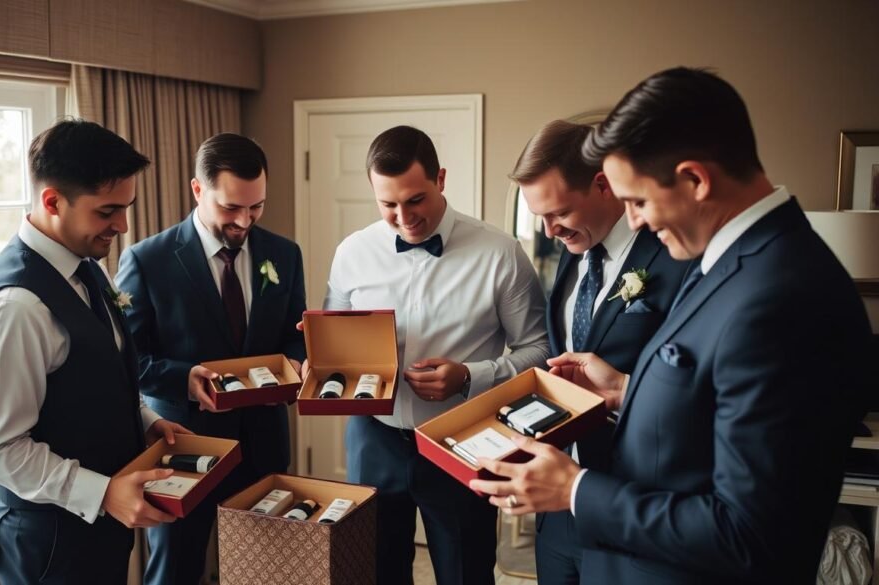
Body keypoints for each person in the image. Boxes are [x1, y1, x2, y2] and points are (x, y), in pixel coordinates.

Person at [470, 67, 873, 584]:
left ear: (695, 179)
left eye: (637, 201)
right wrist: (623, 390)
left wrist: (576, 489)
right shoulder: (736, 262)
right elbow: (712, 399)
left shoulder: (784, 294)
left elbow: (750, 534)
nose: (634, 222)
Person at [0, 119, 189, 585]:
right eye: (107, 212)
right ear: (52, 201)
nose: (122, 226)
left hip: (96, 530)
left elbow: (97, 370)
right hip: (49, 544)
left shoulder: (82, 263)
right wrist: (103, 494)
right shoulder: (15, 310)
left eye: (127, 208)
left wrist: (144, 420)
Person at [323, 125, 549, 585]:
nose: (404, 217)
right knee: (375, 570)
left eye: (415, 200)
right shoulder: (352, 253)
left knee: (465, 572)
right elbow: (333, 342)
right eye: (388, 205)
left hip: (464, 439)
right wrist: (323, 360)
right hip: (374, 437)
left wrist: (471, 376)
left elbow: (541, 351)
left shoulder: (500, 254)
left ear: (440, 179)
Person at [115, 133, 307, 585]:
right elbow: (129, 361)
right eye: (231, 208)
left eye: (256, 206)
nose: (245, 220)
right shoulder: (147, 260)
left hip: (264, 443)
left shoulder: (284, 254)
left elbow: (294, 336)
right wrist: (184, 380)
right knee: (176, 569)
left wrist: (299, 362)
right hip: (185, 444)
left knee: (266, 570)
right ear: (198, 190)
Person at [512, 119, 689, 584]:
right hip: (558, 504)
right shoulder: (572, 254)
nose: (550, 230)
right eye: (541, 218)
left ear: (603, 183)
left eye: (560, 212)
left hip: (634, 501)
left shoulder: (674, 256)